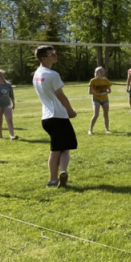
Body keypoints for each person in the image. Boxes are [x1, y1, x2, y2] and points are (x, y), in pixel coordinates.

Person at [32, 46, 77, 188]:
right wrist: (70, 111)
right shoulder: (53, 74)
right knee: (61, 149)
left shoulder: (36, 74)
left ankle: (59, 176)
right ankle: (55, 178)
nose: (55, 55)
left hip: (46, 118)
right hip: (58, 116)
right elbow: (61, 96)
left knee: (59, 147)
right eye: (52, 54)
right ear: (44, 58)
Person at [0, 69, 18, 140]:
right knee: (0, 121)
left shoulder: (8, 85)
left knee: (9, 120)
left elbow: (11, 95)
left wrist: (13, 103)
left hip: (7, 105)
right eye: (0, 76)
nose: (2, 77)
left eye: (3, 76)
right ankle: (0, 136)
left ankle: (12, 136)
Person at [88, 66, 112, 135]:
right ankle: (90, 130)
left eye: (102, 71)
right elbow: (90, 92)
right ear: (96, 73)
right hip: (96, 99)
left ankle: (107, 129)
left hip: (105, 99)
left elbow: (109, 91)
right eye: (100, 71)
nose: (102, 72)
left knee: (106, 115)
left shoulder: (106, 80)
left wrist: (105, 93)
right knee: (96, 114)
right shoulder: (93, 81)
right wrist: (99, 94)